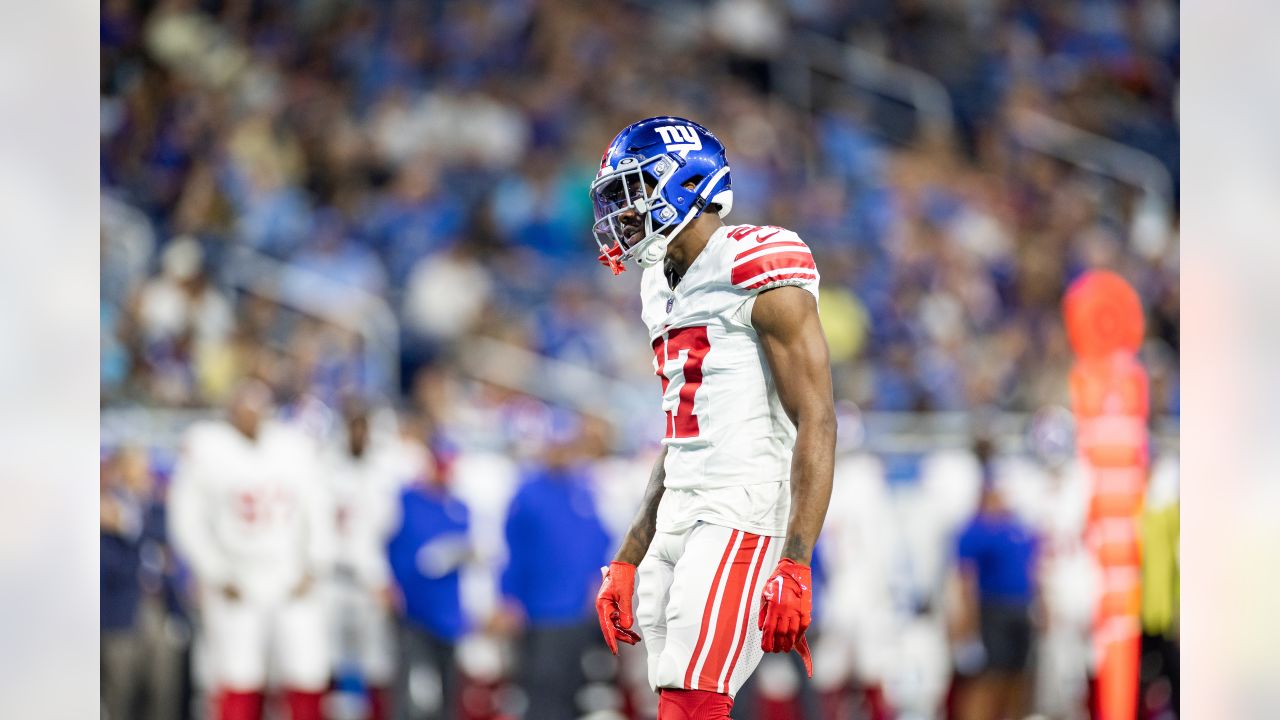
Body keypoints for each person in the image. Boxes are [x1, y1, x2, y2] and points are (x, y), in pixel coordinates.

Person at [589, 117, 836, 719]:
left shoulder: (757, 263)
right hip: (681, 509)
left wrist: (796, 562)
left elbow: (819, 419)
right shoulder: (657, 284)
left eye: (634, 191)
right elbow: (681, 434)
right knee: (676, 695)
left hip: (741, 506)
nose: (622, 215)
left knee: (692, 699)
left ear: (686, 184)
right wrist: (629, 552)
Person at [168, 380, 334, 720]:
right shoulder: (208, 448)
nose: (250, 416)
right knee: (238, 673)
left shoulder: (291, 447)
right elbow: (186, 520)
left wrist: (314, 564)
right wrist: (214, 571)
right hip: (237, 574)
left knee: (306, 668)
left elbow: (318, 508)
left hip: (290, 570)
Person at [499, 419, 612, 720]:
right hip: (539, 609)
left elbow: (600, 542)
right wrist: (509, 597)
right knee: (541, 690)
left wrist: (598, 583)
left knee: (573, 689)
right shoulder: (527, 493)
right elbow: (512, 550)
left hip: (577, 608)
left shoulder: (584, 491)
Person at [325, 397, 410, 720]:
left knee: (376, 663)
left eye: (363, 426)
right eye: (353, 426)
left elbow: (389, 532)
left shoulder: (384, 474)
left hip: (372, 582)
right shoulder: (327, 467)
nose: (358, 433)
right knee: (327, 662)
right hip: (332, 577)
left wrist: (385, 579)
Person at [950, 438, 1042, 720]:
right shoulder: (974, 530)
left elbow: (1034, 570)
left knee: (1018, 677)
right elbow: (966, 579)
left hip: (1021, 610)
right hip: (993, 611)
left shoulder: (1019, 527)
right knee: (989, 678)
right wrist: (966, 620)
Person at [385, 441, 470, 720]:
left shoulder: (459, 508)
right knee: (408, 690)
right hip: (411, 608)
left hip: (447, 613)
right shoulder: (405, 500)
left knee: (446, 692)